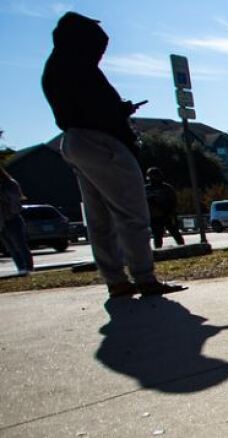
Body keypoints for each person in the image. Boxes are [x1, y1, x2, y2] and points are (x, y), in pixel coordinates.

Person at [42, 11, 184, 297]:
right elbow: (98, 108)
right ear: (83, 41)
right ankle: (144, 277)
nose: (100, 53)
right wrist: (122, 110)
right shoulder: (80, 68)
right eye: (98, 47)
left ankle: (116, 280)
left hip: (73, 141)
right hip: (102, 142)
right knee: (131, 212)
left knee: (99, 218)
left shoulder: (54, 68)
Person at [0, 167, 34, 277]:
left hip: (12, 219)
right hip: (1, 222)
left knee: (20, 245)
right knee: (10, 248)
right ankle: (20, 268)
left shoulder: (10, 184)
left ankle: (28, 268)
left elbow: (15, 201)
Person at [144, 167, 185, 249]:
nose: (153, 180)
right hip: (154, 217)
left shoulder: (166, 188)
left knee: (175, 234)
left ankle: (183, 248)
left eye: (155, 177)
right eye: (152, 177)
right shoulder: (146, 189)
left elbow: (174, 201)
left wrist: (170, 212)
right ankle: (159, 251)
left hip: (167, 215)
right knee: (157, 237)